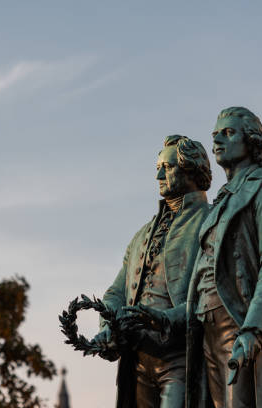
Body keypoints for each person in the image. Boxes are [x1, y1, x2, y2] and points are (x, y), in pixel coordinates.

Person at [126, 107, 262, 408]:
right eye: (215, 135)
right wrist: (165, 317)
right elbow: (201, 278)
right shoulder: (221, 203)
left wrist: (253, 330)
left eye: (228, 133)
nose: (218, 141)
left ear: (251, 140)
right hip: (205, 332)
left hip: (239, 323)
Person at [92, 135, 212, 408]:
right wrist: (108, 327)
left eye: (167, 167)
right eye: (158, 167)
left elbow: (213, 297)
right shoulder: (141, 235)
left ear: (191, 169)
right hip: (136, 363)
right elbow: (116, 292)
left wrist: (164, 319)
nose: (158, 174)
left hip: (180, 360)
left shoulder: (211, 222)